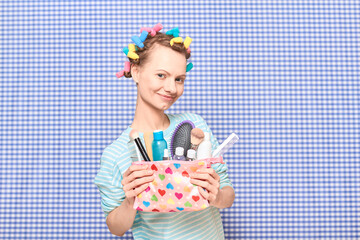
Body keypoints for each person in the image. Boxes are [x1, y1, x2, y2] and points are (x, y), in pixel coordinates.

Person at [94, 23, 235, 240]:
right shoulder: (116, 154)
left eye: (179, 79)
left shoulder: (195, 126)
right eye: (161, 75)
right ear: (136, 71)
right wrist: (131, 200)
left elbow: (227, 195)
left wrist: (216, 196)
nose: (172, 88)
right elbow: (116, 227)